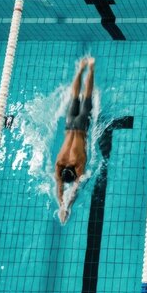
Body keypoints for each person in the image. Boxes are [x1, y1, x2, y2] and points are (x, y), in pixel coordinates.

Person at [55, 57, 95, 224]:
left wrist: (66, 207)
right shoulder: (59, 164)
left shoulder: (79, 164)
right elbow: (59, 188)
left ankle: (91, 68)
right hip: (70, 124)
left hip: (80, 128)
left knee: (86, 98)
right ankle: (81, 69)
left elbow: (73, 190)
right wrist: (62, 205)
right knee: (75, 98)